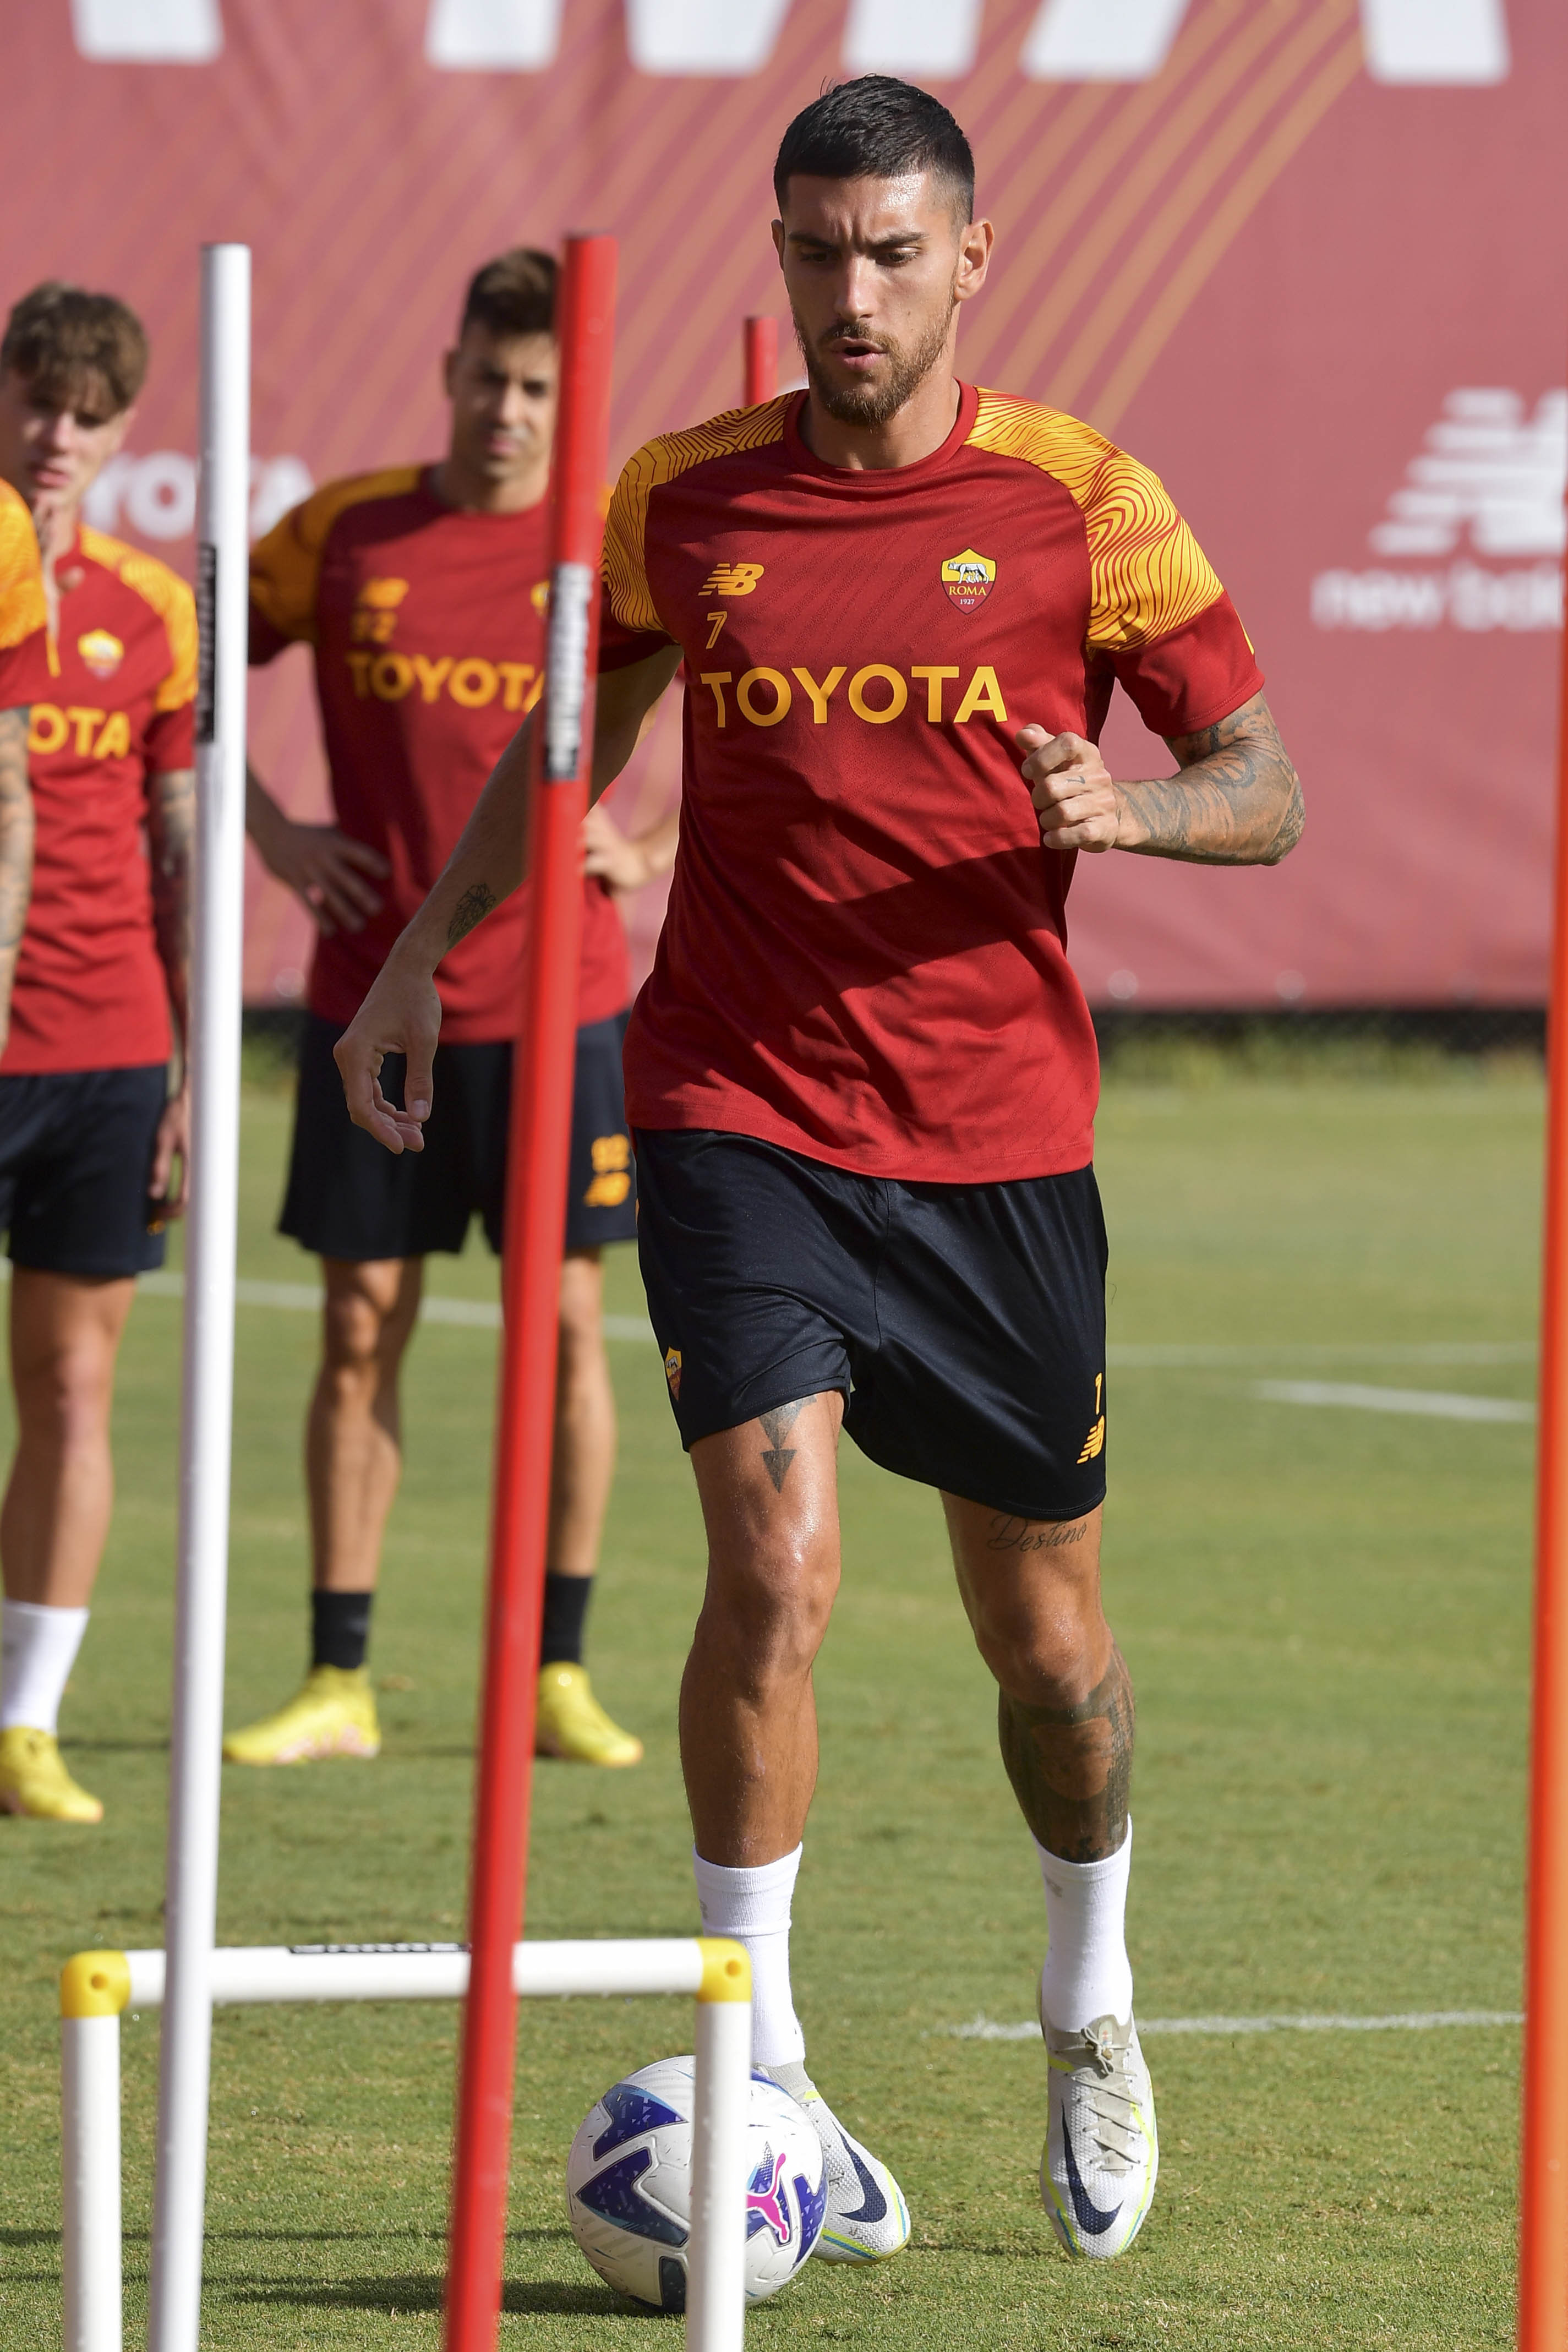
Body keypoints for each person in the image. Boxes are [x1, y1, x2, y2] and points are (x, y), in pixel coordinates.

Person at [332, 80, 1302, 2266]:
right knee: (770, 1557)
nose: (844, 293)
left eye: (886, 253)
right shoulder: (677, 496)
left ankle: (1087, 2004)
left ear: (970, 259)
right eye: (809, 251)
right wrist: (414, 960)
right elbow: (565, 748)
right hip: (733, 1106)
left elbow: (1266, 780)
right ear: (769, 259)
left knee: (1043, 1644)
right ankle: (754, 2050)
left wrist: (1132, 819)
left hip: (995, 1152)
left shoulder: (1080, 499)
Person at [226, 249, 675, 1774]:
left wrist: (658, 839)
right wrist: (270, 829)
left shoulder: (609, 544)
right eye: (487, 377)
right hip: (374, 995)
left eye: (540, 387)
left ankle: (557, 1669)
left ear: (571, 395)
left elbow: (773, 685)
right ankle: (335, 1675)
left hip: (565, 1008)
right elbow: (187, 654)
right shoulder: (347, 533)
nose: (507, 409)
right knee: (359, 1323)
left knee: (561, 1326)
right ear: (447, 372)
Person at [0, 283, 195, 1825]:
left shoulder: (154, 608)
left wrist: (189, 1064)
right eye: (36, 398)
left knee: (73, 1389)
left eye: (88, 412)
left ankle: (27, 1720)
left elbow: (174, 837)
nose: (56, 433)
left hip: (108, 1045)